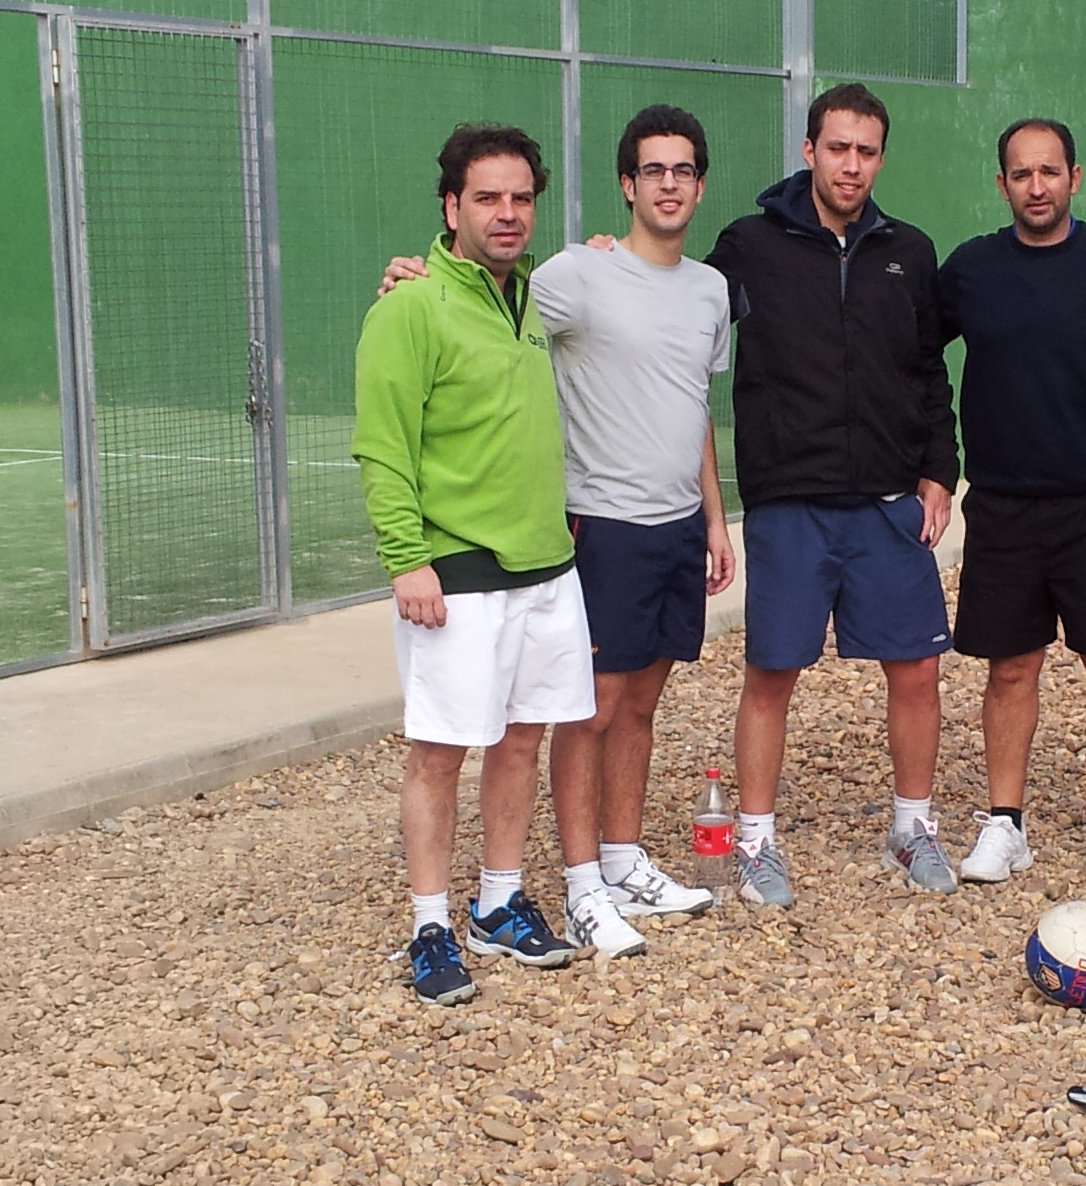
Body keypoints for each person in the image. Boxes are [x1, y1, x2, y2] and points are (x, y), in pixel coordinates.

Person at [373, 108, 737, 958]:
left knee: (609, 711)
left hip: (629, 541)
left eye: (684, 170)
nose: (670, 184)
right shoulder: (560, 278)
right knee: (540, 723)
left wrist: (715, 518)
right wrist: (403, 275)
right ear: (627, 184)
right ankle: (541, 896)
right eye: (654, 170)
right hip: (573, 534)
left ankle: (598, 868)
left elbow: (693, 404)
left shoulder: (689, 290)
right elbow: (394, 421)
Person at [351, 122, 591, 1005]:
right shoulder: (409, 307)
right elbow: (382, 447)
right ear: (451, 207)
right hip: (454, 575)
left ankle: (497, 904)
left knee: (522, 737)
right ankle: (429, 927)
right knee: (439, 753)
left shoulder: (529, 298)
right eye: (487, 198)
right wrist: (406, 561)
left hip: (546, 569)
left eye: (521, 198)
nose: (507, 213)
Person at [704, 82, 961, 907]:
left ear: (880, 158)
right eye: (838, 148)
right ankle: (755, 841)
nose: (852, 165)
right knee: (772, 672)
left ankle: (912, 828)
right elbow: (671, 301)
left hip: (887, 502)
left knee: (916, 669)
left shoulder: (908, 251)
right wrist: (612, 259)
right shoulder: (749, 244)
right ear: (809, 149)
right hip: (791, 503)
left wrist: (940, 470)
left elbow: (929, 372)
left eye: (866, 151)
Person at [937, 117, 1086, 897]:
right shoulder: (970, 270)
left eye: (1049, 172)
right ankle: (1005, 823)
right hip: (1003, 506)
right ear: (1001, 184)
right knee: (1010, 669)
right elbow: (909, 356)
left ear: (1075, 177)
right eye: (1021, 174)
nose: (1036, 187)